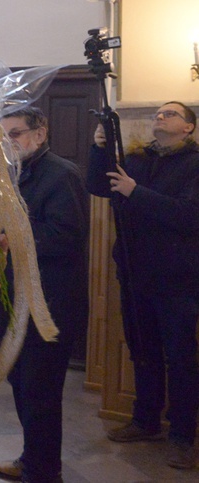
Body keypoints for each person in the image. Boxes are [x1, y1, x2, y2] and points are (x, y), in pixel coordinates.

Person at [87, 101, 199, 470]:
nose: (160, 117)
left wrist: (137, 192)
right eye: (158, 113)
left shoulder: (194, 164)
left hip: (177, 278)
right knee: (142, 350)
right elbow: (99, 187)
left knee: (180, 359)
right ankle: (145, 420)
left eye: (171, 114)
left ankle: (182, 437)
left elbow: (188, 216)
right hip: (135, 273)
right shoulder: (136, 159)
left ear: (188, 128)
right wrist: (99, 149)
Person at [0, 107, 89, 483]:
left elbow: (68, 237)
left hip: (51, 305)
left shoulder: (61, 174)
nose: (8, 143)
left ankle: (44, 473)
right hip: (16, 301)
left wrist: (12, 238)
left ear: (40, 133)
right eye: (3, 138)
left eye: (15, 134)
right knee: (22, 387)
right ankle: (32, 457)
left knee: (41, 394)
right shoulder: (10, 176)